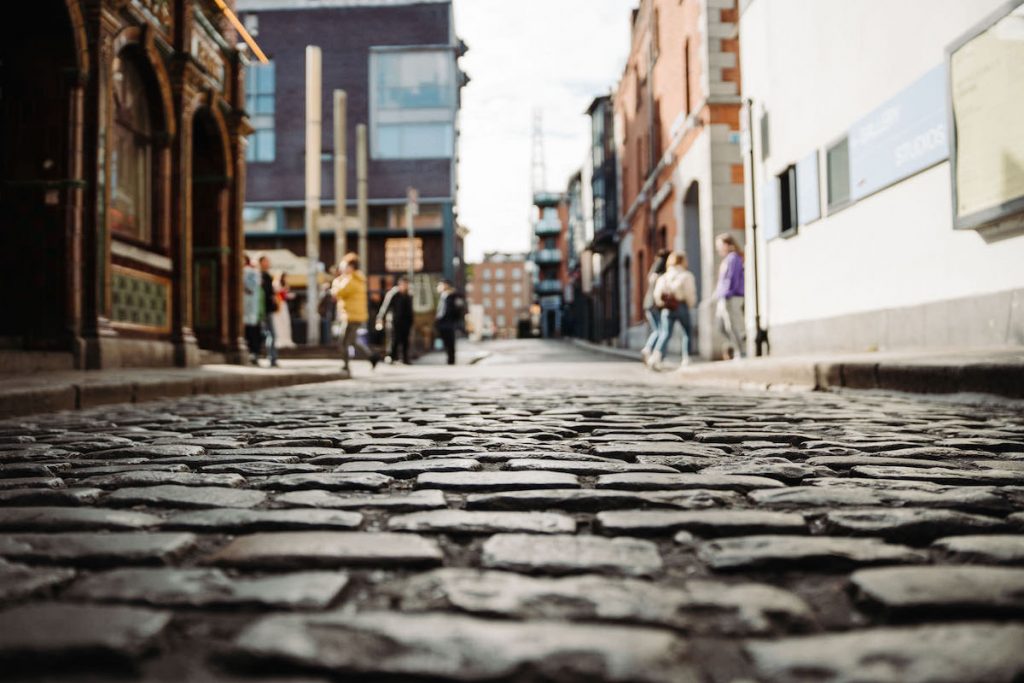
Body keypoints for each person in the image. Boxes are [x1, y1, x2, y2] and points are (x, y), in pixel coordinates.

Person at [648, 251, 697, 370]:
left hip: (667, 308)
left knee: (665, 333)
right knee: (687, 332)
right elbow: (690, 293)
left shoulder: (664, 277)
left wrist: (663, 304)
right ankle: (686, 358)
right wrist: (690, 304)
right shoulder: (686, 275)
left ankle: (656, 357)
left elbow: (657, 295)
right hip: (681, 306)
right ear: (683, 261)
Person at [331, 253, 379, 373]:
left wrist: (337, 280)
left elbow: (339, 292)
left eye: (345, 267)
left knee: (343, 341)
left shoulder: (351, 280)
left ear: (351, 267)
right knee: (351, 341)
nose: (343, 269)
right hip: (354, 315)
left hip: (351, 315)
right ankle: (371, 357)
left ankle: (346, 365)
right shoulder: (357, 278)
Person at [714, 233, 747, 359]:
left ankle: (741, 351)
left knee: (731, 325)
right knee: (721, 326)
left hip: (731, 296)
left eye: (720, 245)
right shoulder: (727, 259)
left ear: (728, 245)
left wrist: (727, 293)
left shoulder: (733, 258)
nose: (718, 249)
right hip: (723, 297)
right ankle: (737, 347)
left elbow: (732, 278)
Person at [640, 249, 671, 365]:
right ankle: (652, 352)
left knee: (658, 330)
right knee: (661, 330)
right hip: (654, 304)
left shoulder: (654, 270)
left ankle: (650, 351)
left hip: (648, 303)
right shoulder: (661, 269)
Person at [376, 276, 414, 364]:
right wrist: (380, 318)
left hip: (406, 322)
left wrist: (411, 321)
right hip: (394, 321)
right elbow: (385, 307)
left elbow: (410, 310)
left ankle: (405, 358)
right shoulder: (393, 294)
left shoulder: (408, 295)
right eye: (404, 284)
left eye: (407, 284)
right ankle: (391, 357)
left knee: (405, 341)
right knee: (394, 340)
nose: (405, 286)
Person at [434, 278, 464, 365]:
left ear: (446, 285)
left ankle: (451, 360)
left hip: (449, 322)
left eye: (441, 284)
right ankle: (449, 358)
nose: (439, 287)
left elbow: (459, 308)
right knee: (445, 341)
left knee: (450, 341)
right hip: (441, 322)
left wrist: (455, 321)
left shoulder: (453, 295)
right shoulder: (442, 296)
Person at [258, 254, 279, 367]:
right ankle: (272, 357)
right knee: (270, 334)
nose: (268, 263)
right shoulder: (262, 276)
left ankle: (272, 357)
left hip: (266, 309)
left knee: (268, 334)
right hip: (264, 309)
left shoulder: (265, 276)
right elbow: (266, 294)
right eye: (266, 261)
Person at [242, 255, 262, 365]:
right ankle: (252, 353)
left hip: (250, 310)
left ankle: (253, 353)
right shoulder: (251, 272)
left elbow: (253, 287)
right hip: (247, 311)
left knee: (252, 331)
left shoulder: (251, 272)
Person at [272, 272, 296, 349]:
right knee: (279, 322)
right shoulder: (276, 283)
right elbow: (277, 293)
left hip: (283, 304)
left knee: (285, 322)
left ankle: (286, 339)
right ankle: (280, 339)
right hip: (278, 304)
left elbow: (285, 295)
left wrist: (288, 295)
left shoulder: (285, 284)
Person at [317, 280, 336, 346]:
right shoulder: (323, 294)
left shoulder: (327, 293)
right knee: (325, 328)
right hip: (324, 313)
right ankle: (325, 341)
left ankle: (327, 341)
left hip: (327, 313)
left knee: (327, 328)